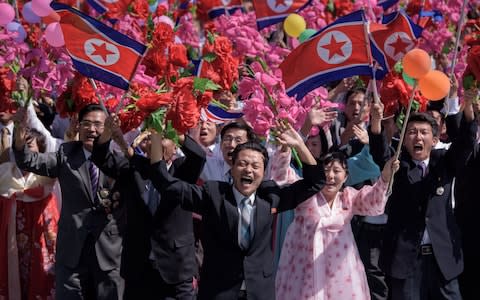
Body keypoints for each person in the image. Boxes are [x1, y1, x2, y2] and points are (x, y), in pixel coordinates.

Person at [149, 122, 325, 300]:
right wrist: (156, 133)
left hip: (259, 291)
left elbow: (315, 182)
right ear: (232, 169)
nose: (248, 169)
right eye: (242, 164)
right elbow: (166, 184)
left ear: (264, 173)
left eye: (255, 166)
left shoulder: (269, 198)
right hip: (219, 290)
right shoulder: (213, 195)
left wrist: (300, 145)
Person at [14, 104, 124, 299]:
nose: (92, 129)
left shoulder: (117, 160)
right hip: (72, 249)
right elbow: (29, 161)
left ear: (107, 128)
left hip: (108, 250)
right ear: (78, 127)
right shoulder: (65, 154)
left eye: (98, 124)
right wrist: (19, 137)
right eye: (86, 124)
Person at [91, 114, 206, 299]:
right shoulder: (135, 169)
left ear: (175, 146)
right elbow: (100, 157)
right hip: (139, 267)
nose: (157, 142)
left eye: (163, 138)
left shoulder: (182, 170)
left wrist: (174, 128)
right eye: (151, 137)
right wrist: (107, 132)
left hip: (176, 270)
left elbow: (198, 156)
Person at [380, 95, 476, 300]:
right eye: (412, 132)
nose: (418, 137)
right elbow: (379, 152)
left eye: (424, 132)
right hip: (406, 263)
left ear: (435, 139)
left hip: (442, 260)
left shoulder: (444, 162)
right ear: (404, 139)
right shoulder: (397, 166)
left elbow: (465, 142)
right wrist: (375, 123)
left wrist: (466, 107)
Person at [0, 127, 59, 299]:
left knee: (43, 271)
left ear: (41, 149)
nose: (25, 149)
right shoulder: (5, 171)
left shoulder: (48, 171)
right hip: (14, 236)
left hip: (42, 232)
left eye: (30, 145)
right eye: (21, 145)